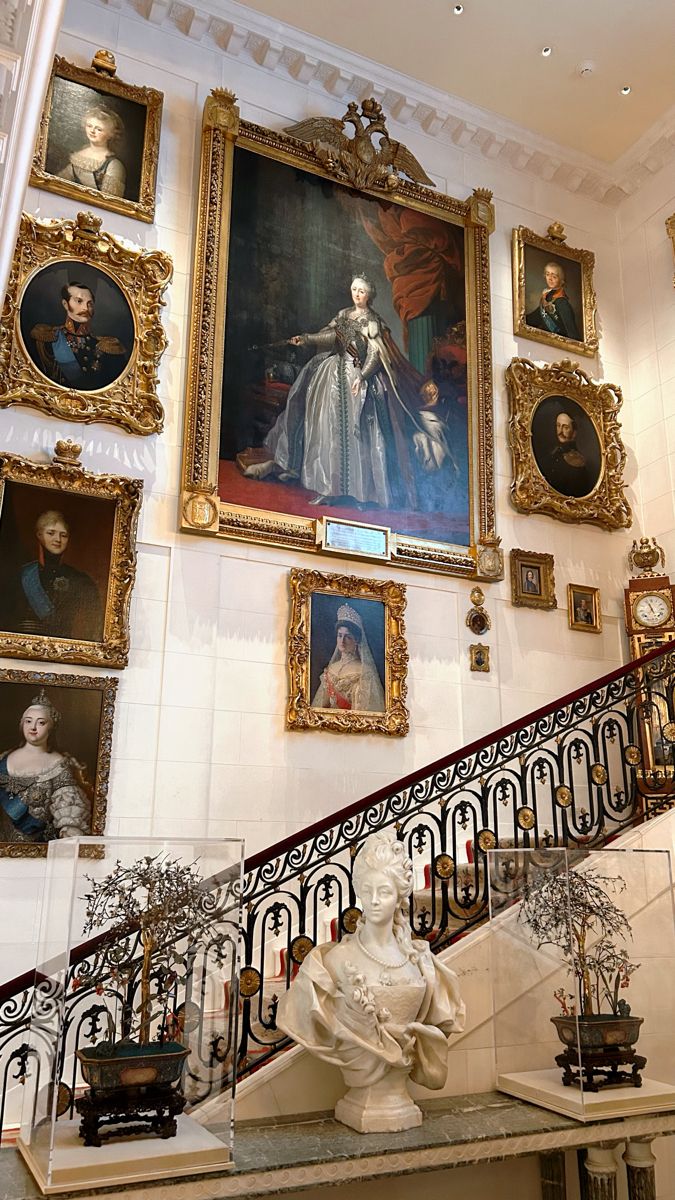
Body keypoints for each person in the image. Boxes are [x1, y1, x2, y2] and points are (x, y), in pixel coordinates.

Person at [276, 828, 465, 1132]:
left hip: (401, 1103)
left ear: (400, 897)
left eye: (385, 892)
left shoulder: (423, 964)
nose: (375, 901)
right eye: (368, 891)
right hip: (360, 1103)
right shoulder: (332, 963)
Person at [244, 275, 428, 509]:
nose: (357, 294)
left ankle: (363, 494)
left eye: (361, 291)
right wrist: (307, 338)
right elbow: (331, 336)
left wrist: (362, 377)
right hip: (331, 377)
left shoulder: (373, 322)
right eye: (354, 289)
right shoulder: (343, 315)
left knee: (360, 436)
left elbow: (375, 354)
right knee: (328, 433)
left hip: (360, 383)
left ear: (369, 294)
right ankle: (329, 489)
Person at [0, 692, 91, 844]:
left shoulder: (59, 765)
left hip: (35, 850)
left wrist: (70, 829)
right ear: (22, 724)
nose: (33, 727)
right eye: (28, 721)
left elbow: (68, 804)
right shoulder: (3, 758)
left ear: (51, 727)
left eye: (41, 723)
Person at [3, 509, 103, 642]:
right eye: (51, 533)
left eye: (64, 535)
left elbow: (93, 624)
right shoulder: (21, 576)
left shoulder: (80, 579)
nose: (58, 539)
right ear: (39, 535)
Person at [29, 280, 128, 390]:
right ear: (65, 304)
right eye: (79, 301)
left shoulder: (109, 347)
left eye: (90, 304)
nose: (85, 308)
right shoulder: (45, 338)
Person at [312, 603, 385, 713]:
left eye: (348, 636)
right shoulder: (331, 669)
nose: (342, 641)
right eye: (340, 635)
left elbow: (365, 711)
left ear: (356, 640)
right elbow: (321, 707)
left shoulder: (364, 671)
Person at [58, 105, 126, 198]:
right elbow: (58, 183)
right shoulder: (78, 157)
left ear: (110, 134)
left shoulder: (114, 165)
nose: (92, 131)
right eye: (89, 126)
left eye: (99, 129)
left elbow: (111, 202)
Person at [526, 261, 581, 342]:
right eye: (548, 274)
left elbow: (572, 334)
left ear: (562, 280)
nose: (550, 279)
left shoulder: (562, 303)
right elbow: (536, 317)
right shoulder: (547, 296)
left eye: (554, 276)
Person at [545, 411, 594, 498]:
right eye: (558, 425)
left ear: (574, 432)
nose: (560, 431)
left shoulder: (578, 462)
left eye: (565, 427)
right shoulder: (553, 453)